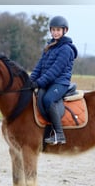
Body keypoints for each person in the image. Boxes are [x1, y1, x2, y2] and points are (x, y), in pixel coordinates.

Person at [30, 15, 78, 145]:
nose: (55, 32)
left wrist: (38, 82)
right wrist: (29, 81)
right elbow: (39, 66)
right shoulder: (49, 47)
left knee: (48, 99)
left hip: (60, 83)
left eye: (58, 30)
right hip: (49, 82)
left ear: (64, 31)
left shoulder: (66, 50)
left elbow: (54, 71)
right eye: (53, 30)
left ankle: (59, 134)